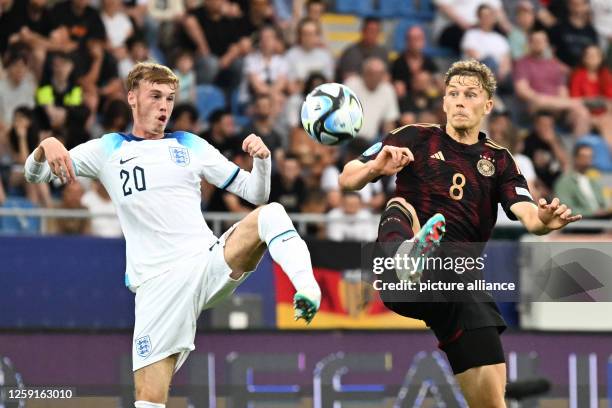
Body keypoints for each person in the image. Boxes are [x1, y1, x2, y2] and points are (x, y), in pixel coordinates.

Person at [24, 62, 321, 407]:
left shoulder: (189, 144)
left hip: (206, 262)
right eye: (155, 96)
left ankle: (308, 288)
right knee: (149, 401)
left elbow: (255, 194)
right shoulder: (108, 150)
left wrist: (263, 161)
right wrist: (45, 145)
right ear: (132, 98)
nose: (165, 105)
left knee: (271, 214)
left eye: (170, 98)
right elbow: (36, 175)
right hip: (157, 284)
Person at [338, 59, 581, 407]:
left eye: (470, 94)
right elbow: (347, 178)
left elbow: (527, 215)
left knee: (491, 399)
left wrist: (545, 220)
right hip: (401, 277)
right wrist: (375, 168)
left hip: (458, 283)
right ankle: (409, 257)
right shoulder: (414, 137)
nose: (460, 101)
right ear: (444, 102)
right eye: (453, 94)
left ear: (488, 105)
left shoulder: (499, 161)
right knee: (400, 206)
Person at [554, 144, 611, 218]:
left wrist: (605, 211)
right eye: (584, 157)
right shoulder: (564, 182)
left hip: (601, 220)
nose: (588, 160)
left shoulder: (594, 181)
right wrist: (592, 213)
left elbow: (604, 202)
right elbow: (565, 207)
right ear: (575, 158)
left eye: (590, 157)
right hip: (580, 222)